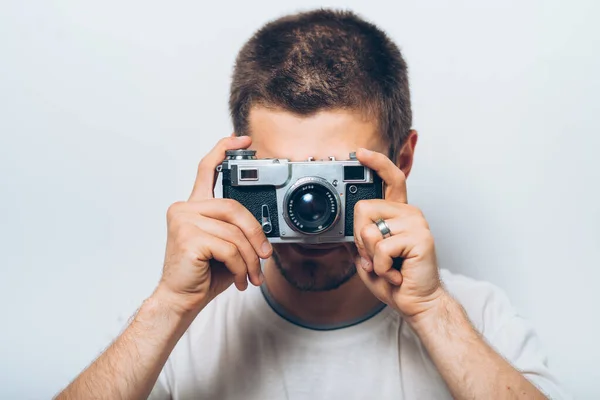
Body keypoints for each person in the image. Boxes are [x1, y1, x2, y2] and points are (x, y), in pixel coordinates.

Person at [56, 8, 569, 400]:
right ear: (238, 171)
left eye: (338, 177)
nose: (309, 205)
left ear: (403, 159)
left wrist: (431, 310)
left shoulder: (476, 316)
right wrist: (168, 307)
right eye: (283, 177)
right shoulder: (180, 327)